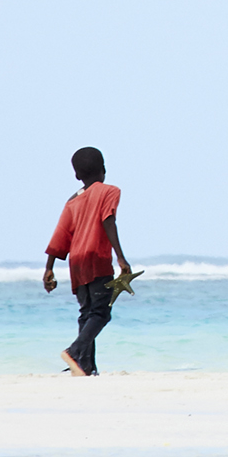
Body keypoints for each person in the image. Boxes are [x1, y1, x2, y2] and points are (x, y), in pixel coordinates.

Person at [44, 146, 131, 378]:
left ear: (76, 175)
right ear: (103, 169)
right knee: (101, 313)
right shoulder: (109, 191)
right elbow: (108, 220)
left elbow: (61, 234)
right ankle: (74, 352)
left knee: (86, 312)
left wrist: (49, 268)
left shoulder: (73, 200)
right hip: (96, 257)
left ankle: (84, 367)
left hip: (76, 261)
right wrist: (121, 257)